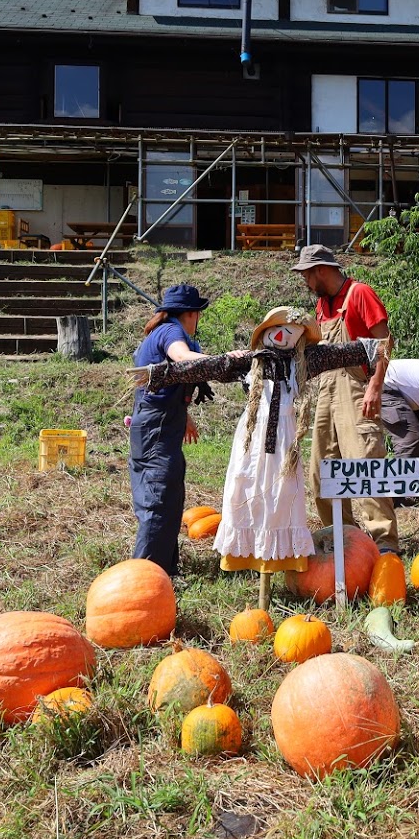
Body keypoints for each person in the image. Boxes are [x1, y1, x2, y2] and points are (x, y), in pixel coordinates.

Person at [129, 307, 386, 608]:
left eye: (292, 330)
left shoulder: (306, 361)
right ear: (264, 332)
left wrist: (372, 347)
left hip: (285, 444)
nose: (283, 334)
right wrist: (159, 374)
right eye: (278, 328)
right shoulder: (249, 362)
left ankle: (275, 561)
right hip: (251, 442)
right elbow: (213, 366)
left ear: (301, 337)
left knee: (281, 498)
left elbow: (340, 353)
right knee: (249, 494)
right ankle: (251, 558)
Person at [291, 244, 399, 553]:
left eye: (306, 275)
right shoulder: (322, 306)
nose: (305, 282)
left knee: (364, 467)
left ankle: (384, 545)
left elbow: (384, 342)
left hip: (355, 389)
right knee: (321, 473)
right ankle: (344, 541)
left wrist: (375, 386)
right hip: (327, 391)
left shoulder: (359, 294)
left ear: (321, 270)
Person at [128, 283, 212, 576]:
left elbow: (169, 383)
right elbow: (181, 358)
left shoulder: (164, 330)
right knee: (158, 500)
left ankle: (165, 571)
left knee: (170, 498)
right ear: (189, 314)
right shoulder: (171, 331)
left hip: (161, 425)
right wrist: (228, 361)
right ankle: (143, 578)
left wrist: (184, 415)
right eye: (197, 314)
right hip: (155, 430)